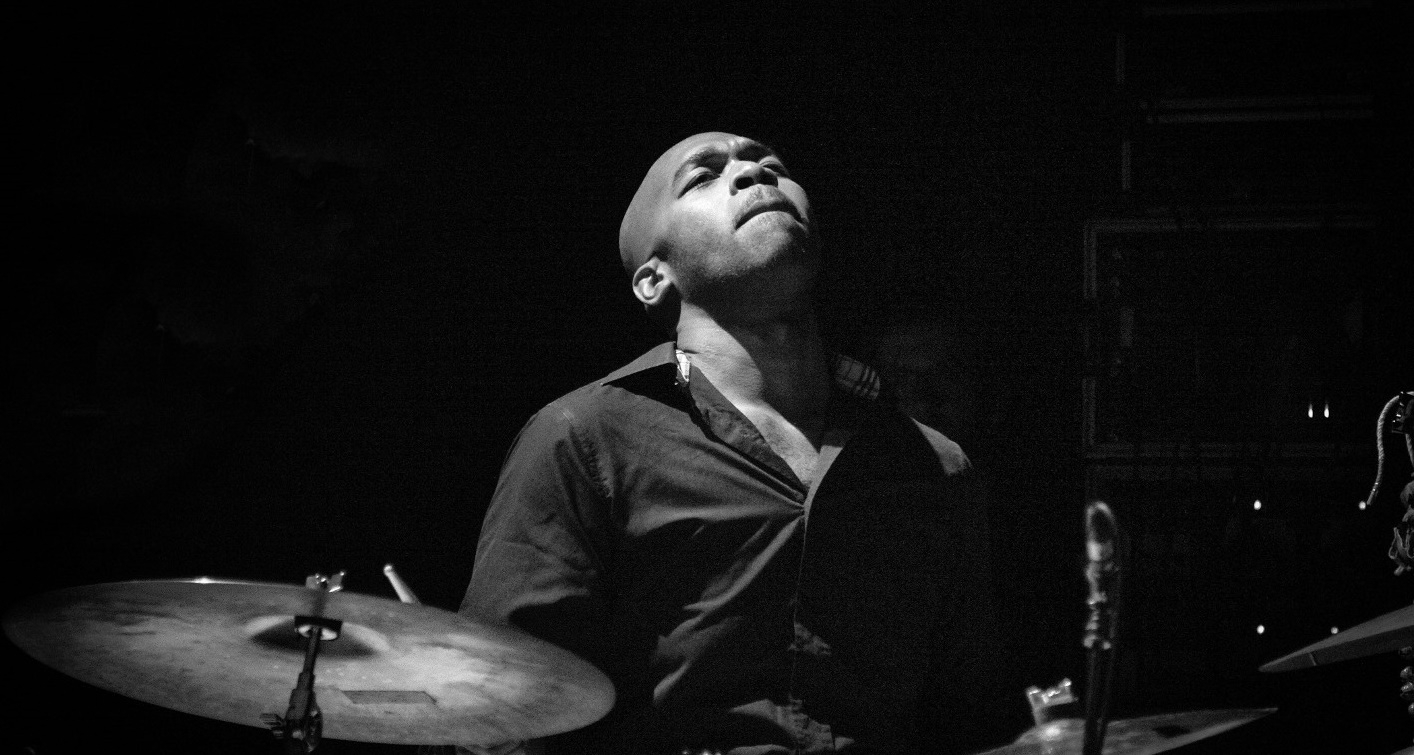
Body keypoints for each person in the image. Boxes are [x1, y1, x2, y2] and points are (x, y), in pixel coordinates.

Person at [459, 132, 1019, 754]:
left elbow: (967, 712)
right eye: (702, 177)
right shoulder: (584, 437)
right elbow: (503, 706)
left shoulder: (932, 463)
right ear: (654, 279)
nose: (755, 175)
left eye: (771, 165)